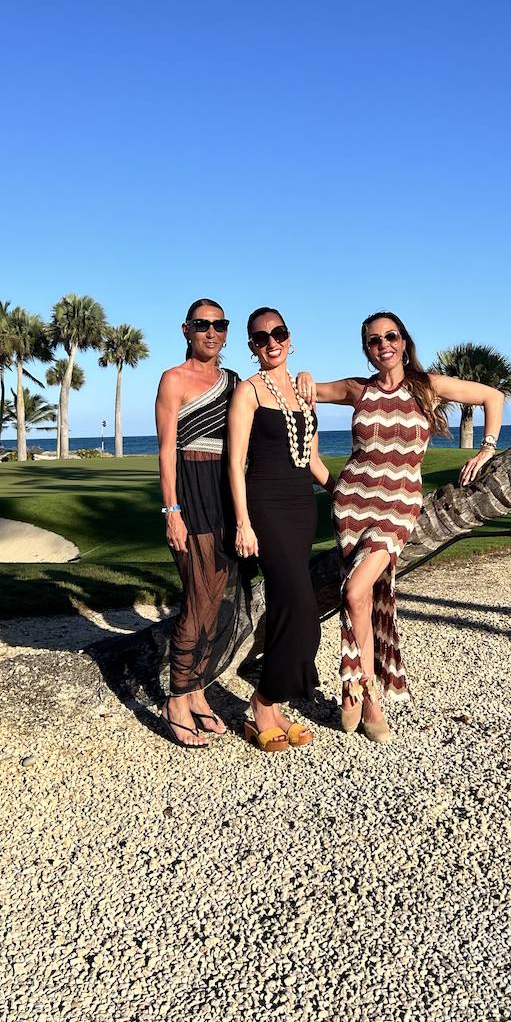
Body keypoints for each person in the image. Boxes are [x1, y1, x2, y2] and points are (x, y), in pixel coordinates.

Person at [306, 311, 504, 743]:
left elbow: (493, 396)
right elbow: (304, 395)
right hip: (352, 503)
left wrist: (487, 449)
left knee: (356, 591)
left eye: (390, 336)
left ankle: (358, 683)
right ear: (367, 349)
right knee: (362, 595)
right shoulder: (357, 389)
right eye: (374, 340)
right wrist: (317, 461)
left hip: (398, 505)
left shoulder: (427, 386)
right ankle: (366, 694)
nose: (383, 345)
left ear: (403, 340)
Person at [227, 307, 334, 753]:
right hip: (265, 506)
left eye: (278, 333)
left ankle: (270, 705)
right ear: (251, 346)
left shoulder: (305, 391)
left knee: (298, 609)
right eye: (260, 337)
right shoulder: (248, 392)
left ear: (291, 338)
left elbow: (311, 460)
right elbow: (234, 462)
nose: (271, 341)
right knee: (301, 608)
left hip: (301, 507)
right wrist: (243, 523)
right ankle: (264, 699)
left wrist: (344, 491)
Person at [154, 298, 245, 747]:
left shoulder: (233, 383)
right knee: (196, 596)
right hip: (190, 490)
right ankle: (176, 696)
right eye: (202, 324)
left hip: (224, 494)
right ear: (186, 329)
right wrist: (171, 511)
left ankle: (197, 690)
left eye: (219, 324)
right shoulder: (173, 380)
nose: (211, 331)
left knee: (215, 598)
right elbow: (166, 450)